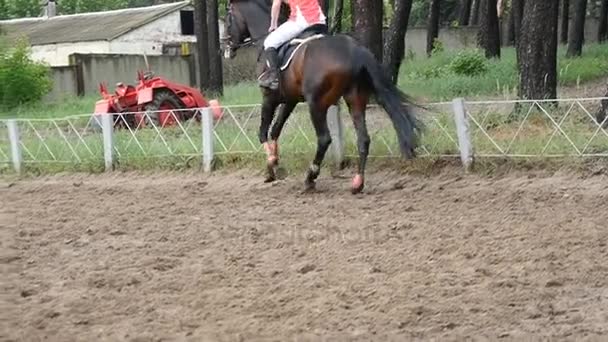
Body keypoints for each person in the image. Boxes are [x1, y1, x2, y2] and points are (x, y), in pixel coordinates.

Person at [258, 0, 326, 90]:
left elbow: (276, 5)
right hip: (320, 21)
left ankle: (274, 77)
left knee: (269, 42)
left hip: (301, 20)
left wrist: (273, 24)